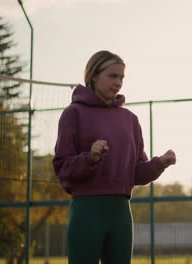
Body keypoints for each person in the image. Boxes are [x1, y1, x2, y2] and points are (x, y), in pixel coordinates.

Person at [53, 50, 176, 264]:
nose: (118, 82)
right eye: (112, 76)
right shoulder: (73, 113)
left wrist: (159, 164)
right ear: (94, 75)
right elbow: (63, 168)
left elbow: (137, 173)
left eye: (122, 77)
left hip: (121, 212)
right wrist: (90, 157)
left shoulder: (130, 119)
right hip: (87, 210)